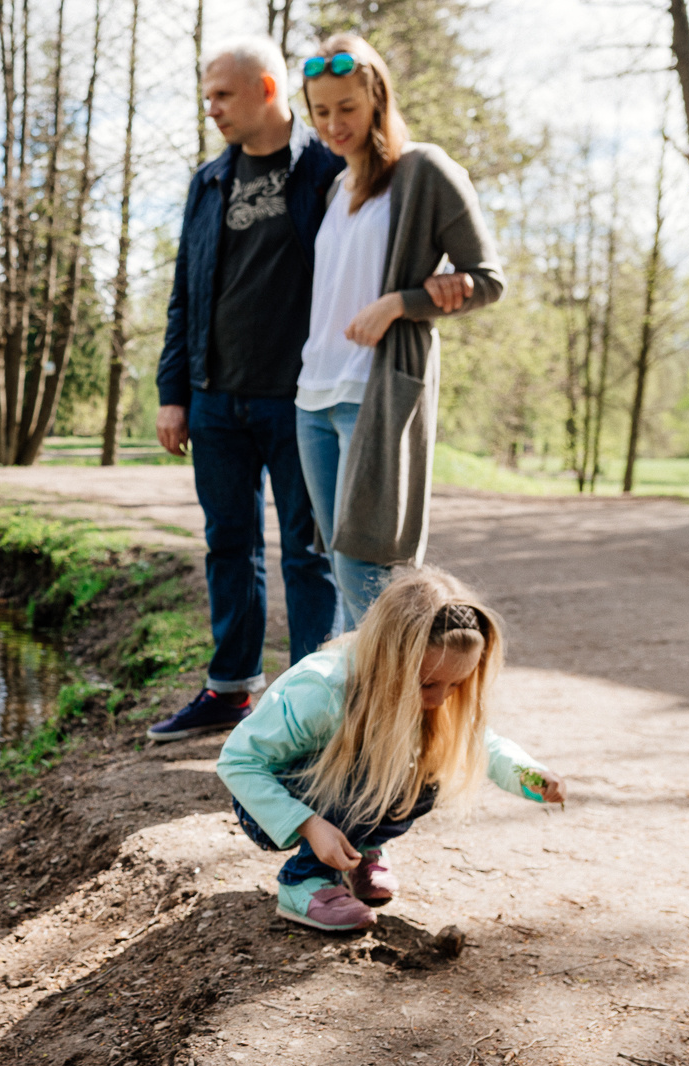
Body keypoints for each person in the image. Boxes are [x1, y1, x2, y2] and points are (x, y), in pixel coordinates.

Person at [148, 36, 342, 744]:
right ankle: (231, 690)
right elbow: (184, 294)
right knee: (228, 543)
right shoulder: (208, 181)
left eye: (223, 95)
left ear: (266, 89)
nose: (212, 109)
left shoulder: (328, 169)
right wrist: (175, 392)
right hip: (214, 399)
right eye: (207, 96)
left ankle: (314, 703)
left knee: (308, 551)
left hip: (300, 399)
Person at [216, 568, 567, 932]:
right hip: (272, 802)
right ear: (388, 659)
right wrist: (309, 825)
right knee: (367, 774)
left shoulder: (432, 695)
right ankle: (304, 880)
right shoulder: (323, 690)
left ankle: (358, 849)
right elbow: (239, 761)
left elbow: (480, 742)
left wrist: (527, 773)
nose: (438, 700)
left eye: (455, 685)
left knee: (425, 777)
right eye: (427, 684)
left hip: (347, 790)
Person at [294, 34, 505, 626]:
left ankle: (389, 707)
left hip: (377, 393)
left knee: (372, 571)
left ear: (378, 100)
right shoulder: (336, 188)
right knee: (342, 569)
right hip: (313, 396)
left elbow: (487, 280)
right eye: (321, 111)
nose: (334, 123)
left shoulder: (424, 171)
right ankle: (355, 709)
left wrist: (401, 303)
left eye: (348, 108)